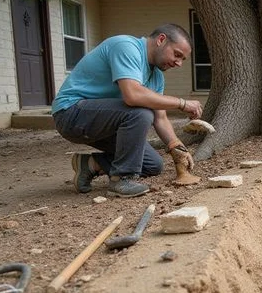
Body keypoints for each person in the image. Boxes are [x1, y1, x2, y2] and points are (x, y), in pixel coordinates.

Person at [52, 23, 203, 197]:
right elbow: (132, 96)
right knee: (140, 112)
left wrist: (176, 146)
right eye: (177, 55)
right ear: (161, 40)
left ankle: (90, 164)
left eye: (183, 59)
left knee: (153, 164)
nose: (178, 63)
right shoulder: (126, 47)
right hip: (71, 113)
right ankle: (121, 180)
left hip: (105, 123)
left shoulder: (156, 77)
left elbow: (160, 117)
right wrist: (182, 103)